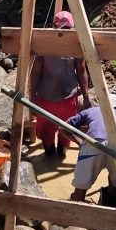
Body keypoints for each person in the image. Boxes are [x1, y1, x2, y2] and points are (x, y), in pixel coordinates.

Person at [30, 11, 91, 158]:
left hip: (68, 97)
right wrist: (32, 97)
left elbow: (81, 70)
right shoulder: (44, 43)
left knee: (66, 131)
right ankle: (49, 155)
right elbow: (35, 72)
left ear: (72, 28)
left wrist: (86, 96)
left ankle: (61, 154)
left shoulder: (75, 43)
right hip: (45, 98)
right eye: (61, 29)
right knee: (46, 133)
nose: (64, 32)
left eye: (67, 29)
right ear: (54, 27)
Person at [68, 93, 116, 207]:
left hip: (93, 144)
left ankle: (74, 211)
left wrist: (79, 142)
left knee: (81, 186)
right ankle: (109, 207)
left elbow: (65, 126)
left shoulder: (91, 111)